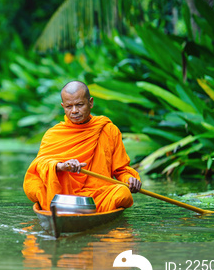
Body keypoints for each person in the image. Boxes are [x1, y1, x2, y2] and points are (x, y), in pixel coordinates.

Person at [23, 81, 141, 213]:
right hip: (63, 196)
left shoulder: (108, 129)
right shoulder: (53, 134)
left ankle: (73, 212)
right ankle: (61, 211)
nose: (74, 111)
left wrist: (130, 180)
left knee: (123, 193)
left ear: (90, 103)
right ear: (63, 106)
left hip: (98, 195)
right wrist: (61, 166)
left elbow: (121, 169)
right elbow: (40, 165)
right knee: (35, 186)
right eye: (69, 106)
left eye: (79, 105)